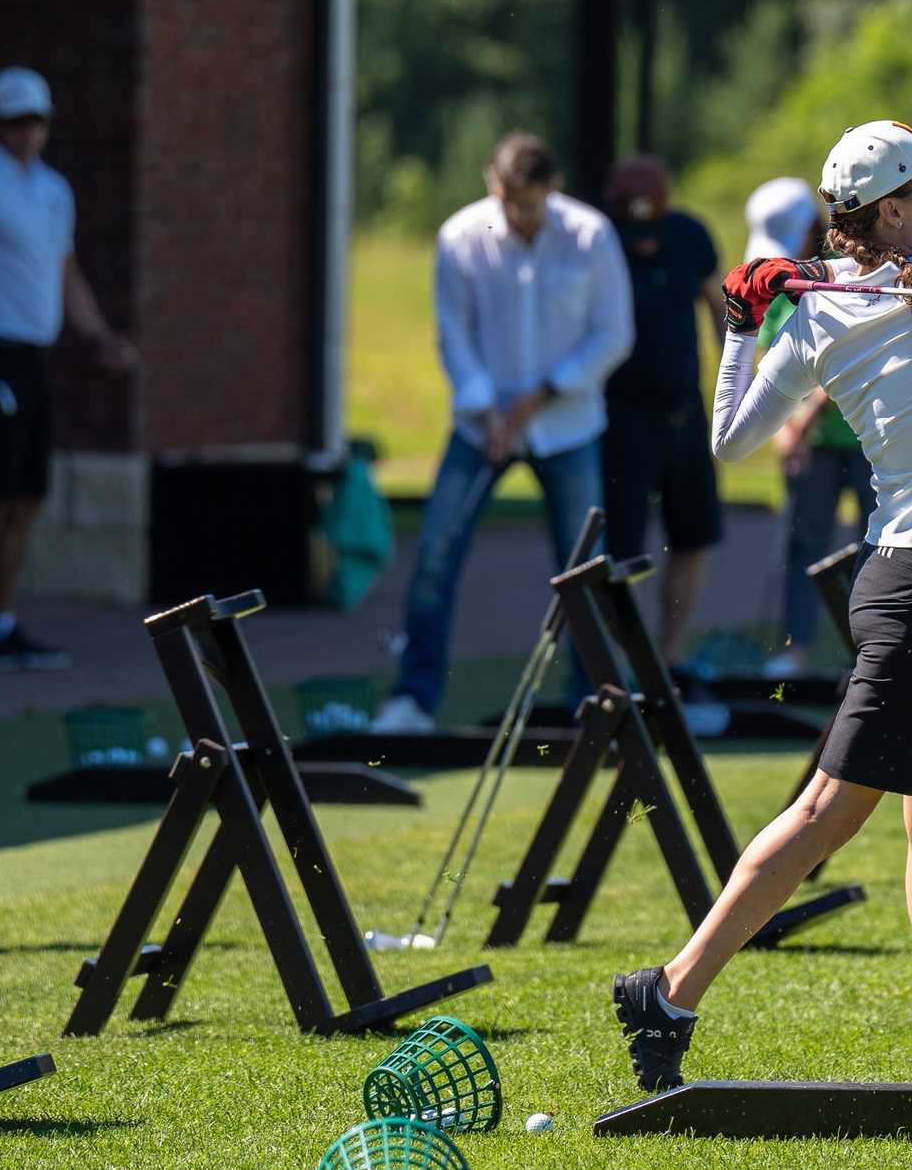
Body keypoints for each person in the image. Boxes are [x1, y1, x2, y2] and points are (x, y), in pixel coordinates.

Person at [613, 121, 912, 1092]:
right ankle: (669, 988)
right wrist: (745, 329)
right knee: (833, 810)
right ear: (889, 210)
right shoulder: (830, 313)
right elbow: (732, 441)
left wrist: (783, 309)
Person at [375, 133, 633, 734]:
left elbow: (612, 333)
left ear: (555, 188)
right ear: (493, 182)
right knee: (436, 554)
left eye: (529, 202)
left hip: (566, 425)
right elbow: (453, 334)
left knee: (583, 568)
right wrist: (489, 410)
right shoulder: (461, 235)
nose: (515, 213)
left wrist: (542, 394)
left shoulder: (591, 234)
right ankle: (412, 698)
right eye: (506, 197)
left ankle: (595, 701)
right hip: (478, 426)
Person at [0, 66, 138, 670]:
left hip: (34, 359)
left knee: (27, 498)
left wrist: (99, 336)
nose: (30, 131)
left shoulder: (54, 190)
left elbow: (65, 273)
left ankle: (2, 619)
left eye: (39, 120)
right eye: (18, 120)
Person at [747, 177, 877, 678]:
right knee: (804, 543)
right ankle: (796, 649)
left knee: (879, 544)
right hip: (813, 447)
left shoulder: (851, 274)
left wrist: (801, 417)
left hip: (864, 436)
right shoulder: (779, 290)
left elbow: (842, 357)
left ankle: (871, 655)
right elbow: (768, 367)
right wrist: (783, 432)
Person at [600, 155, 725, 668]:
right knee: (620, 551)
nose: (646, 241)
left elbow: (720, 306)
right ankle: (628, 663)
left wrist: (736, 384)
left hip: (684, 408)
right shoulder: (598, 241)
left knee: (691, 535)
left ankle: (668, 659)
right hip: (618, 415)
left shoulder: (691, 234)